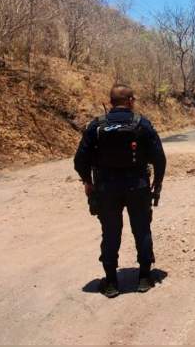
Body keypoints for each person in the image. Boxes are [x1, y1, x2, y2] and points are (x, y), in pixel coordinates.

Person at [74, 84, 166, 298]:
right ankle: (144, 277)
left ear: (110, 102)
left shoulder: (96, 126)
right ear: (131, 101)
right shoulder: (142, 124)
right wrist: (157, 184)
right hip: (138, 187)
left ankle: (111, 282)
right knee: (142, 229)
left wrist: (88, 182)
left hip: (106, 189)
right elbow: (160, 158)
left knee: (111, 232)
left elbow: (80, 160)